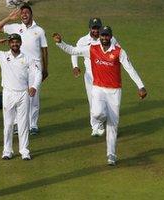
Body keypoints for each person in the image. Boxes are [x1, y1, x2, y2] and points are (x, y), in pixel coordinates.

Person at [53, 26, 147, 165]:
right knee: (97, 113)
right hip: (98, 88)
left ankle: (111, 155)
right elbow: (73, 50)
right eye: (102, 35)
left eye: (106, 36)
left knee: (113, 124)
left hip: (114, 91)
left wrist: (141, 86)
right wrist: (60, 42)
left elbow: (129, 68)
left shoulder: (118, 51)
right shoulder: (92, 48)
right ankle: (99, 122)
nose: (104, 38)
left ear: (110, 37)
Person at [0, 34, 41, 160]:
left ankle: (24, 151)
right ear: (9, 44)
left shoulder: (28, 58)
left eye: (17, 42)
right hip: (8, 93)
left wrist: (34, 86)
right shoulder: (2, 55)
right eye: (12, 42)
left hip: (23, 93)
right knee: (8, 124)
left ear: (20, 43)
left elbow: (38, 72)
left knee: (23, 124)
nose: (14, 44)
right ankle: (7, 151)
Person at [0, 4, 48, 135]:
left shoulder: (39, 30)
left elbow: (44, 50)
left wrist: (45, 68)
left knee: (33, 97)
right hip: (20, 66)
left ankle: (33, 125)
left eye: (27, 12)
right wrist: (9, 18)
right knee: (20, 95)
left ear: (31, 14)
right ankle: (18, 124)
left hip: (36, 66)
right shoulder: (15, 28)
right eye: (22, 13)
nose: (24, 15)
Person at [71, 17, 119, 137]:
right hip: (90, 77)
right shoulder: (83, 40)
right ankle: (95, 127)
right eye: (94, 28)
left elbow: (118, 51)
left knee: (108, 103)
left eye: (98, 28)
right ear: (90, 28)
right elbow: (74, 52)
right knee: (93, 102)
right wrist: (75, 66)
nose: (96, 31)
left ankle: (108, 126)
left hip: (106, 76)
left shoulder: (109, 38)